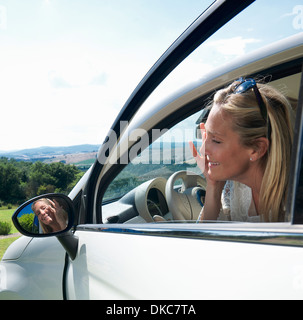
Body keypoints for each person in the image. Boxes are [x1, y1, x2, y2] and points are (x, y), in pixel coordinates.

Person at [189, 78, 295, 222]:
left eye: (216, 140)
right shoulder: (234, 188)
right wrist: (213, 186)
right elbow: (204, 239)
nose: (203, 149)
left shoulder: (294, 201)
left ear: (257, 149)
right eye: (206, 135)